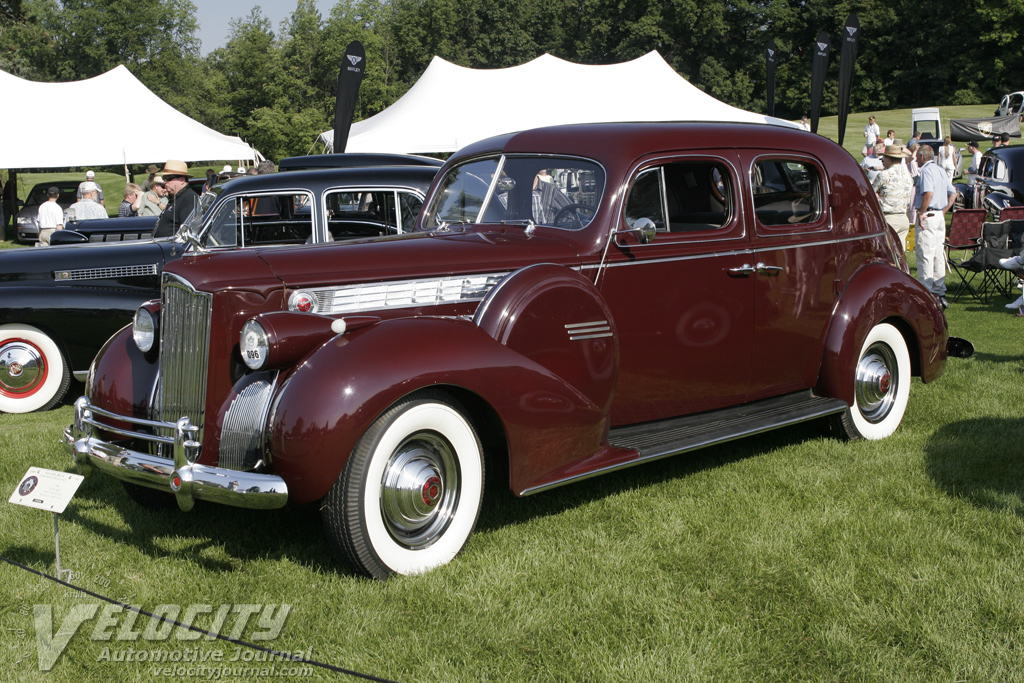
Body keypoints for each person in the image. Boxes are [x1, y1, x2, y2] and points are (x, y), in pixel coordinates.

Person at [913, 145, 956, 308]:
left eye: (918, 157)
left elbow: (928, 193)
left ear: (923, 156)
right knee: (938, 254)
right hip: (938, 216)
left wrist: (921, 213)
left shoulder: (926, 171)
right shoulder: (940, 170)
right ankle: (939, 291)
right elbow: (953, 193)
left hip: (928, 215)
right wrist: (944, 211)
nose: (916, 160)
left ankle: (926, 292)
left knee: (925, 253)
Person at [872, 144, 913, 248]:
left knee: (885, 252)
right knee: (900, 254)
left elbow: (871, 193)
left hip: (889, 218)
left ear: (888, 158)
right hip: (903, 217)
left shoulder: (884, 174)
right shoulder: (908, 175)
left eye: (884, 158)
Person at [153, 160, 200, 238]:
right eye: (164, 178)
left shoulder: (189, 198)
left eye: (168, 178)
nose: (164, 182)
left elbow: (187, 233)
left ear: (182, 180)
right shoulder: (177, 197)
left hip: (173, 248)